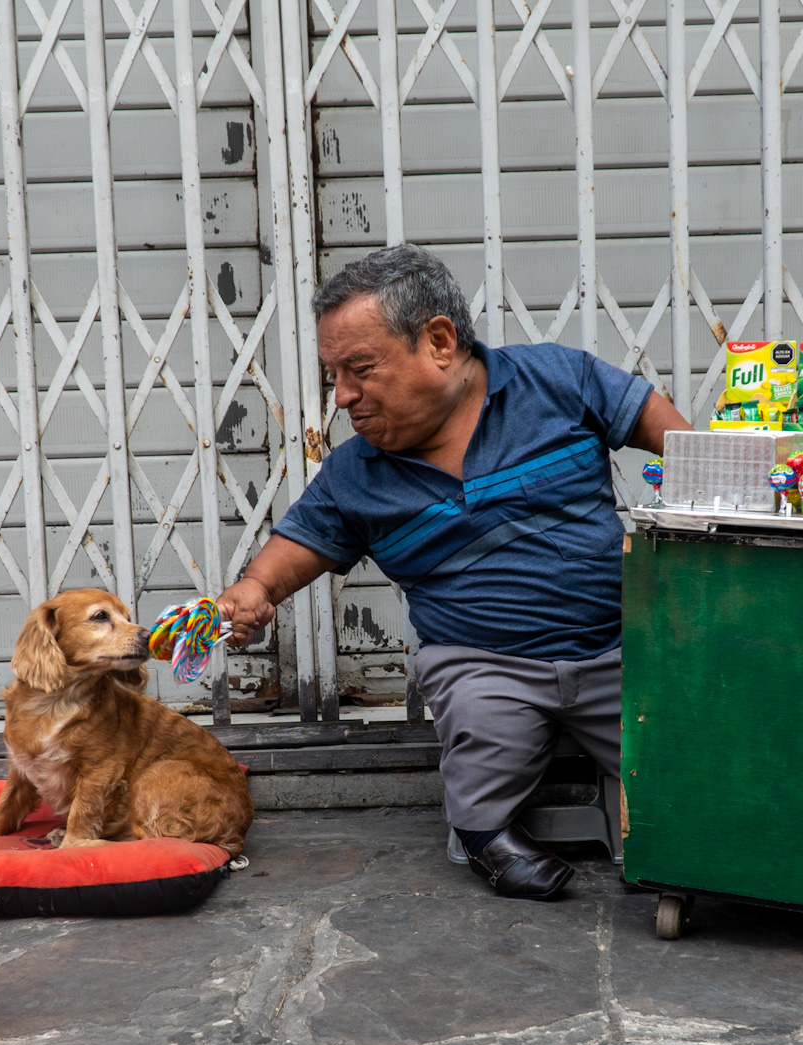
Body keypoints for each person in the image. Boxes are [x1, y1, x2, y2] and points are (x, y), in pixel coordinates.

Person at [215, 244, 690, 899]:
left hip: (620, 646)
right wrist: (255, 588)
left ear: (439, 341)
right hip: (484, 664)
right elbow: (300, 543)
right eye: (335, 377)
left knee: (685, 751)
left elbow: (654, 422)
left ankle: (687, 839)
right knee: (478, 727)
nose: (344, 396)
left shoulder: (555, 380)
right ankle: (486, 837)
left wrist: (712, 478)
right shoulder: (357, 474)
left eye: (360, 369)